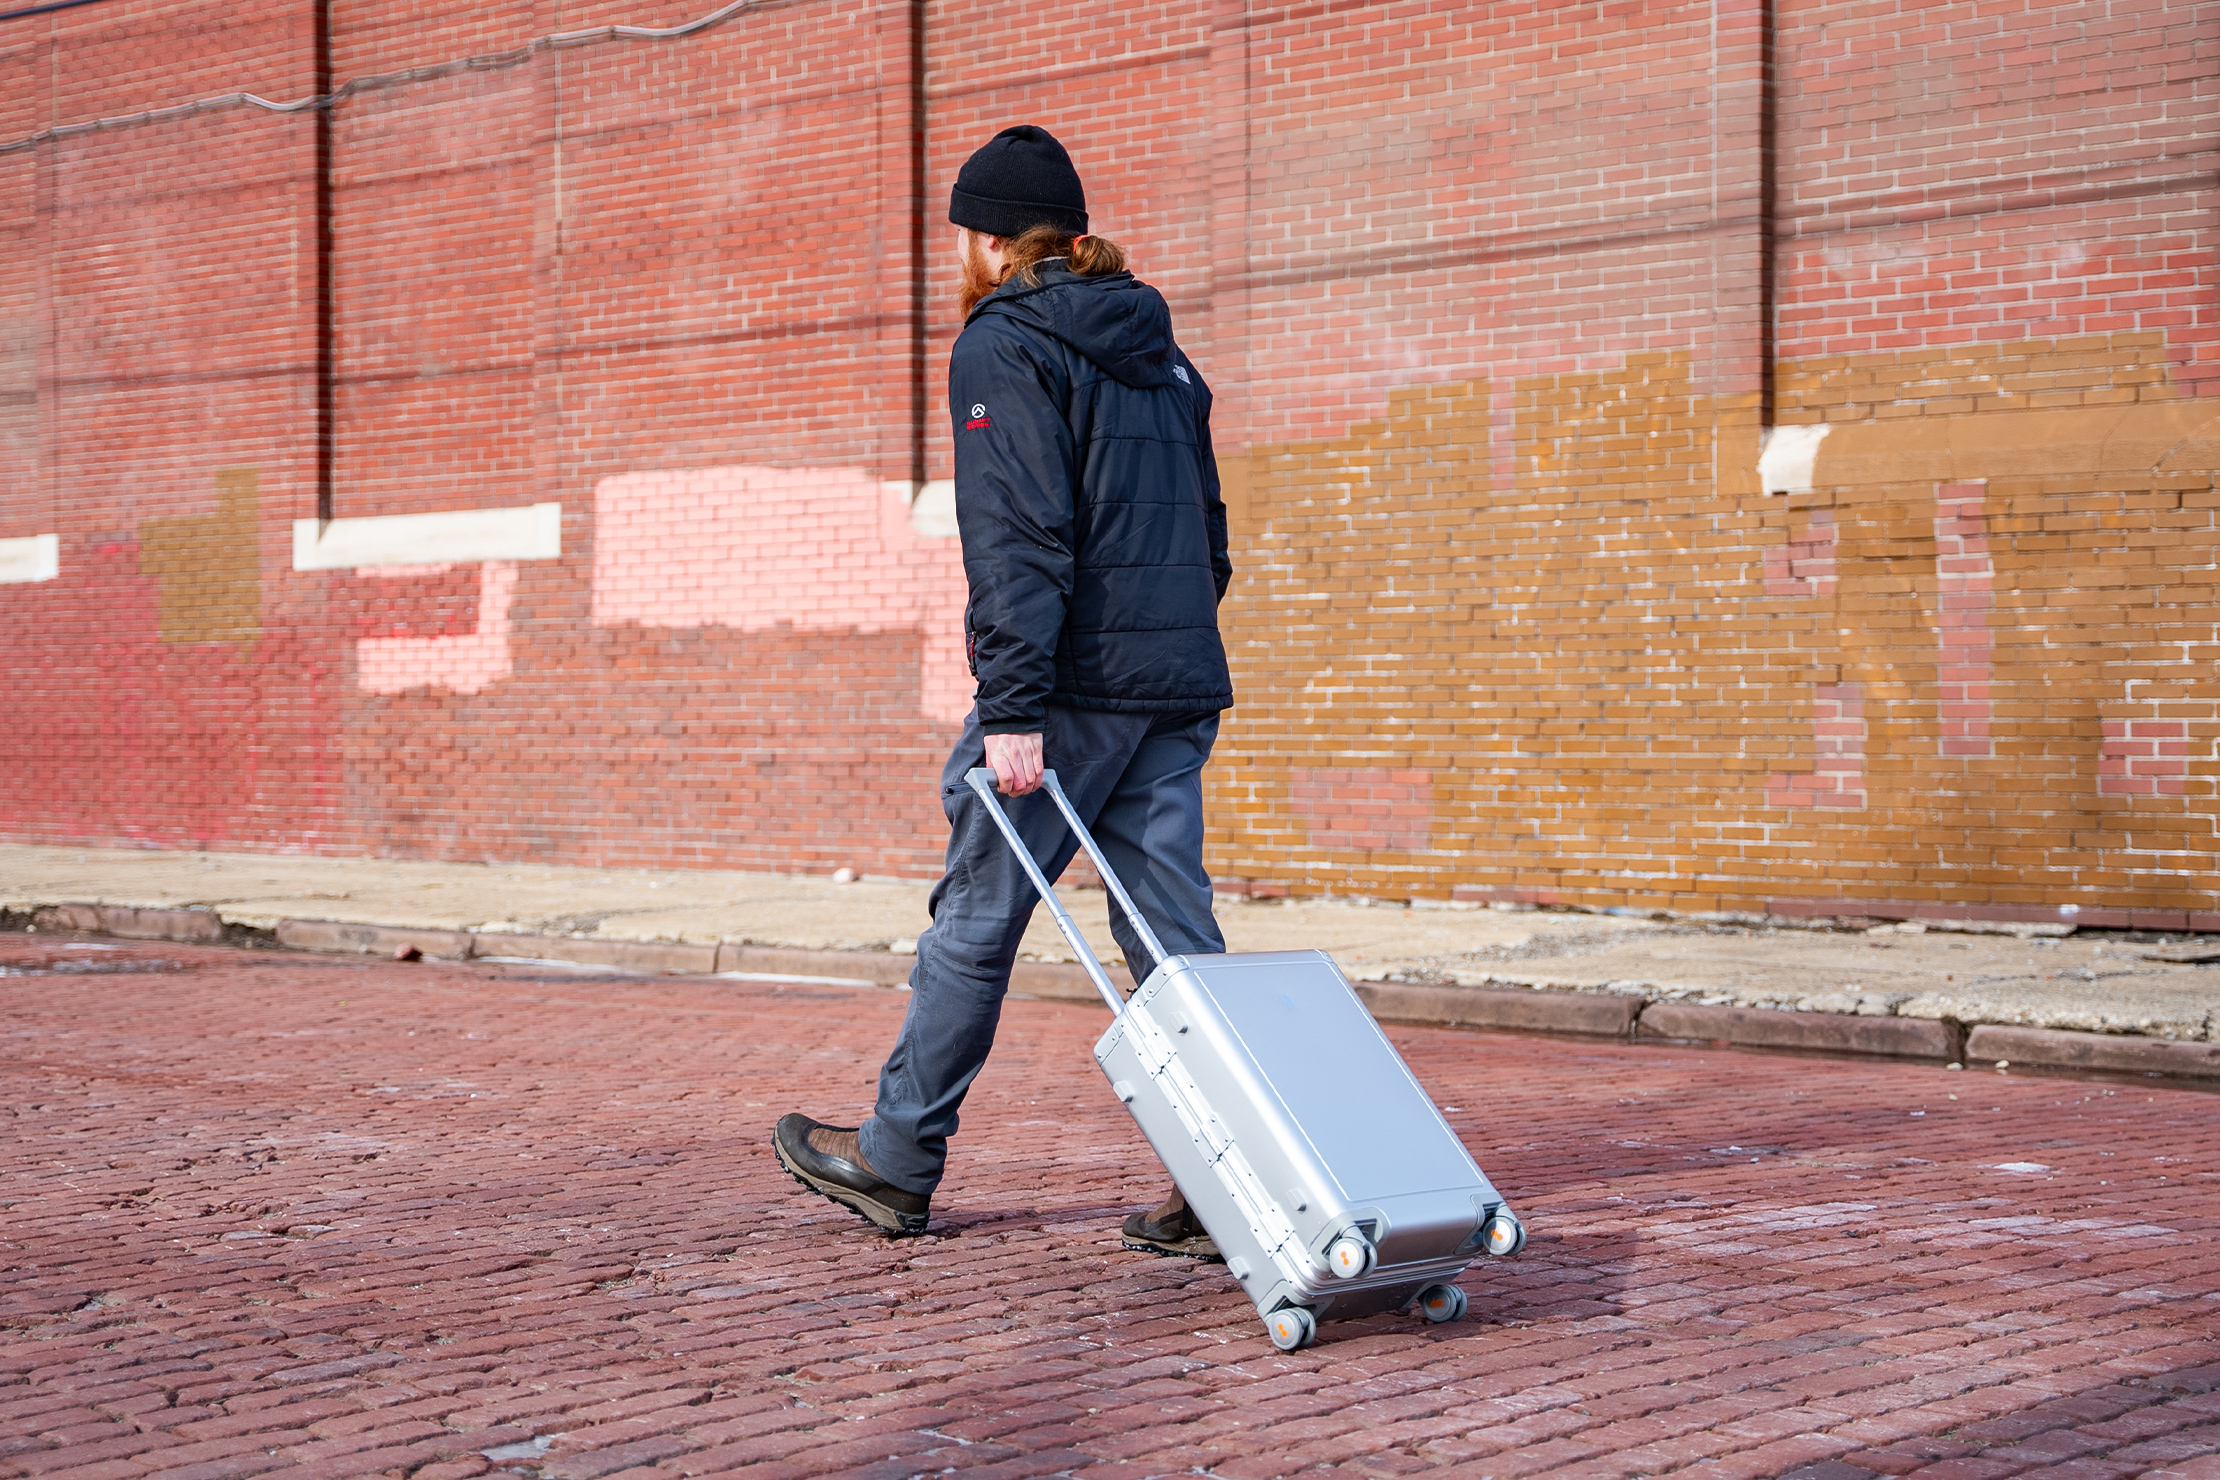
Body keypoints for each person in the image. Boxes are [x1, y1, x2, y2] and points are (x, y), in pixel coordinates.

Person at [774, 124, 1233, 1261]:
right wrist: (1160, 658)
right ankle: (1231, 1172)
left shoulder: (1005, 345)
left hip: (1065, 692)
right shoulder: (1166, 357)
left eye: (962, 239)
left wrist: (1015, 708)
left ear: (990, 239)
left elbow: (1018, 537)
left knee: (977, 917)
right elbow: (1211, 541)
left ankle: (895, 1155)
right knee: (1176, 942)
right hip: (1170, 688)